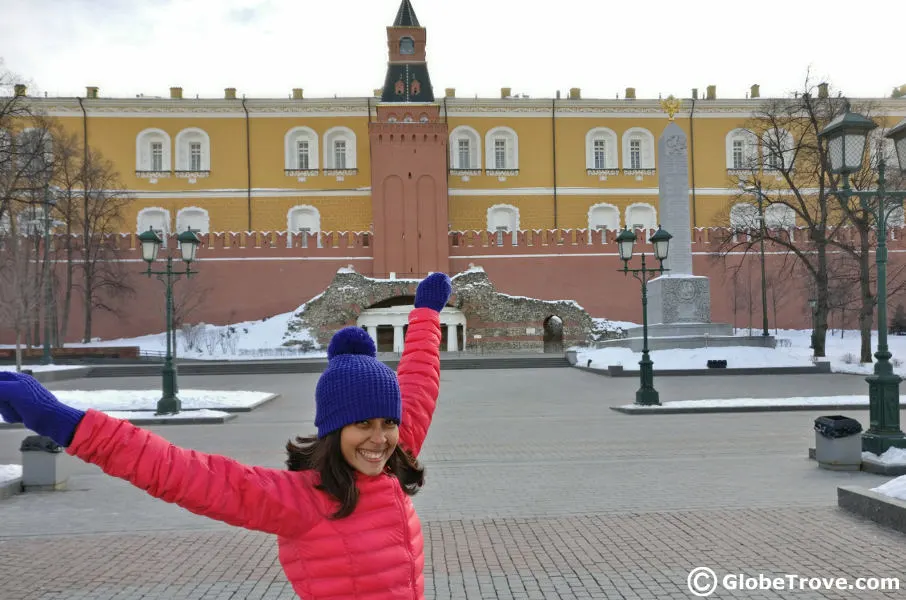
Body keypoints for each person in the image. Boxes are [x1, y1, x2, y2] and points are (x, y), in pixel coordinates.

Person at [0, 272, 453, 600]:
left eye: (387, 423)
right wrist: (65, 422)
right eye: (363, 424)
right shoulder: (300, 501)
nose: (380, 438)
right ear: (334, 429)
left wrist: (427, 316)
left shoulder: (391, 460)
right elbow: (179, 473)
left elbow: (417, 386)